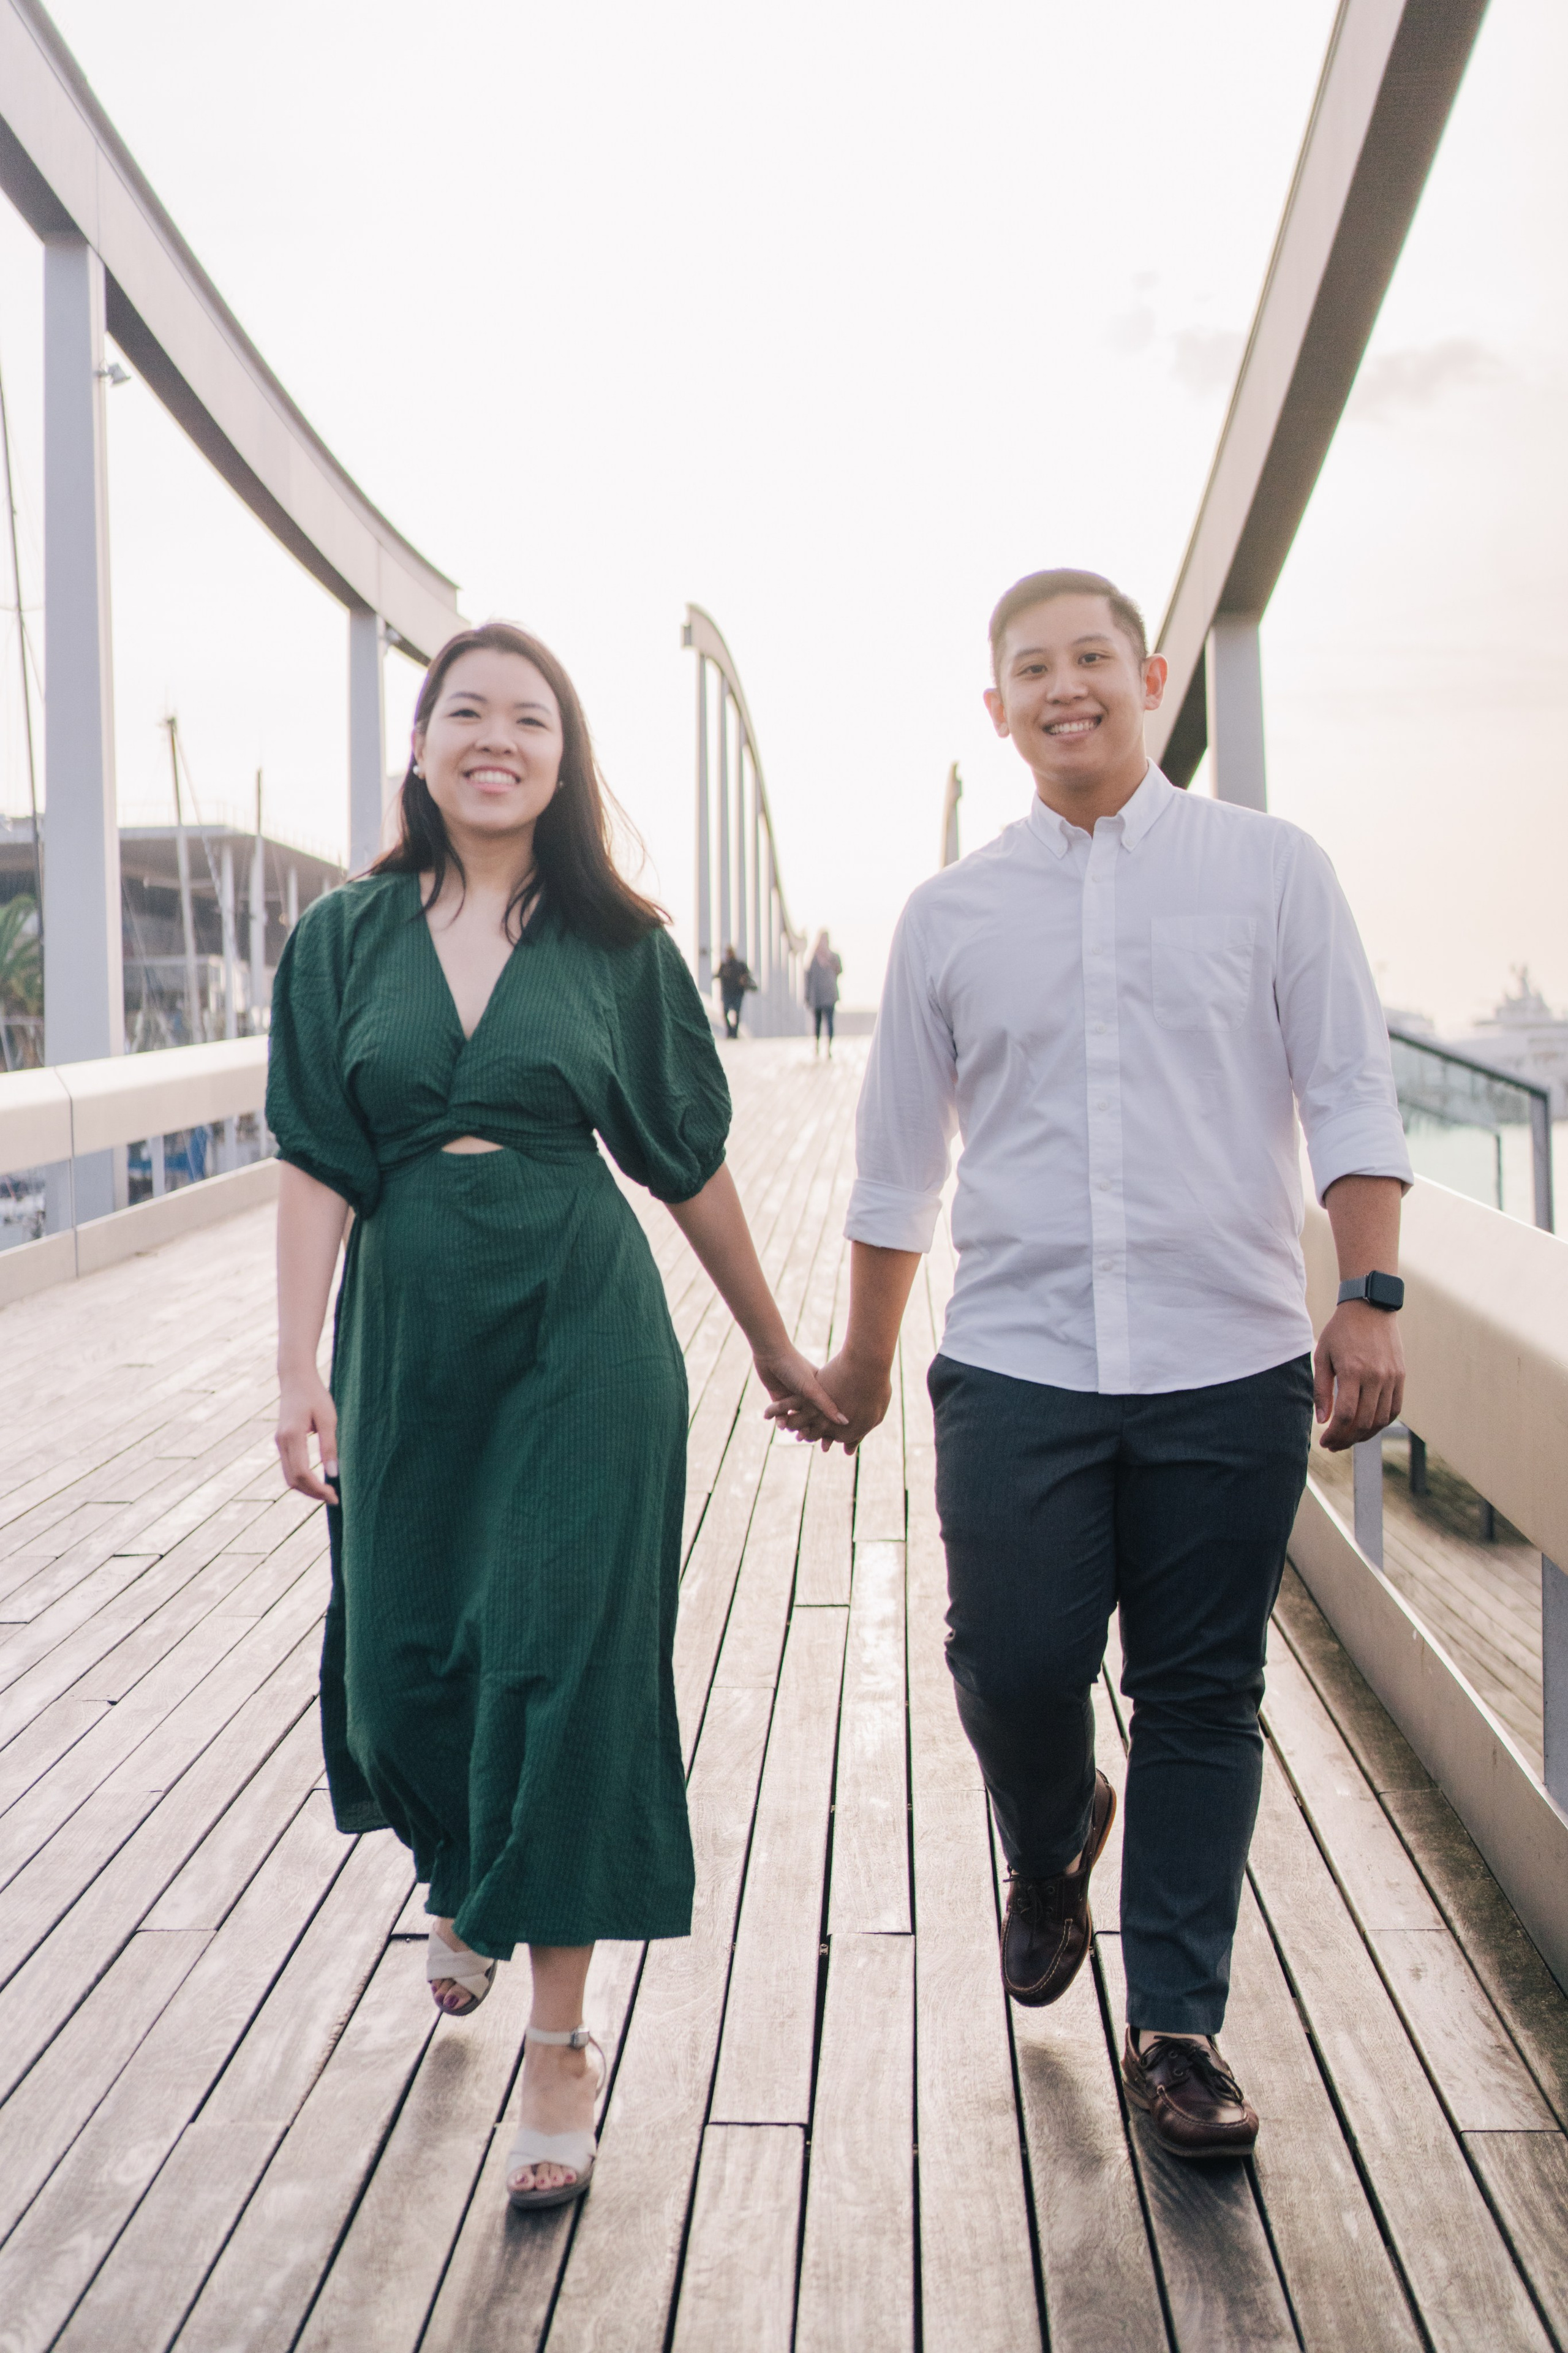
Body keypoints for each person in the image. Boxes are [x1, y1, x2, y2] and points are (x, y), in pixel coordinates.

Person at [790, 569, 1411, 2160]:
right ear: (996, 712)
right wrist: (862, 1367)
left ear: (1145, 674)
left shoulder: (1270, 873)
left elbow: (1347, 1087)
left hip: (1232, 1359)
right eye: (1028, 671)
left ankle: (1177, 2025)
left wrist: (1372, 1293)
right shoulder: (950, 915)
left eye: (1090, 660)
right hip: (1018, 1360)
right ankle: (1055, 1833)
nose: (1065, 689)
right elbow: (892, 1174)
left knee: (1204, 1692)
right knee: (1008, 1660)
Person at [268, 622, 843, 2212]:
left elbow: (685, 1157)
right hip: (410, 1333)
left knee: (565, 1663)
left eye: (532, 717)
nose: (498, 739)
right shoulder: (346, 938)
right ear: (426, 741)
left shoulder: (617, 944)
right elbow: (318, 1152)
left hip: (581, 1334)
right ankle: (469, 1878)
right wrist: (292, 1361)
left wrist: (775, 1344)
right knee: (401, 1670)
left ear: (566, 757)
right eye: (469, 712)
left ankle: (561, 2043)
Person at [804, 929, 843, 1056]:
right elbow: (808, 977)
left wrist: (831, 962)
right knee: (818, 1023)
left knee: (830, 1022)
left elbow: (840, 971)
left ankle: (829, 1047)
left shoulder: (833, 956)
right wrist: (807, 995)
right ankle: (817, 1046)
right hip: (817, 996)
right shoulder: (814, 958)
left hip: (830, 996)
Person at [715, 943, 755, 1038]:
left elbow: (748, 975)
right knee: (725, 1013)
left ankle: (734, 1033)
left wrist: (743, 980)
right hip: (727, 993)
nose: (729, 955)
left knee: (737, 1013)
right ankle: (730, 1031)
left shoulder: (740, 965)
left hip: (737, 993)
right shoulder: (724, 966)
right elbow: (717, 975)